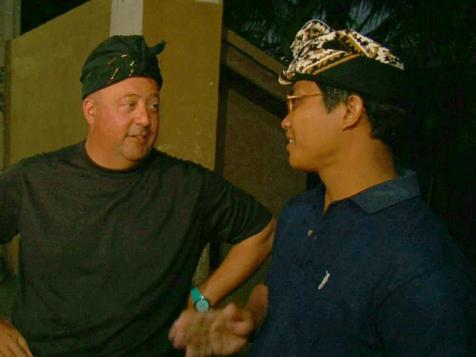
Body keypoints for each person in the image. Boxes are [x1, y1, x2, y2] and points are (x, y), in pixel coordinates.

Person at [169, 20, 476, 356]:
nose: (285, 120)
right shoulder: (299, 214)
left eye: (296, 101)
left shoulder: (421, 265)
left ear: (350, 110)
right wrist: (250, 318)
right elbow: (278, 291)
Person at [0, 35, 275, 356]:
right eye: (130, 104)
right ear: (91, 111)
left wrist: (201, 299)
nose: (145, 119)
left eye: (153, 105)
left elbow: (263, 231)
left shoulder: (187, 186)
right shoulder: (34, 180)